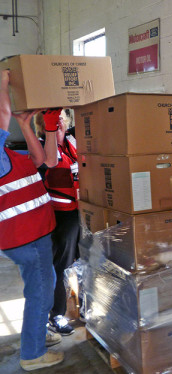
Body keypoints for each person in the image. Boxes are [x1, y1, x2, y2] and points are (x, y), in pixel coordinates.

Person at [0, 70, 64, 371]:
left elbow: (43, 161)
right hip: (25, 237)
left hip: (31, 236)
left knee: (42, 286)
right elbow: (2, 112)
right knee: (40, 291)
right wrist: (3, 81)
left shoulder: (10, 155)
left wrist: (26, 124)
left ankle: (36, 334)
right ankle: (33, 354)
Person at [34, 108, 79, 336]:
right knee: (60, 266)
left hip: (83, 212)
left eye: (62, 117)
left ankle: (87, 308)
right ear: (44, 125)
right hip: (60, 216)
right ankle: (56, 315)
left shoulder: (73, 141)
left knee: (86, 262)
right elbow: (50, 163)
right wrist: (53, 133)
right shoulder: (42, 147)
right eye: (53, 119)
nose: (59, 120)